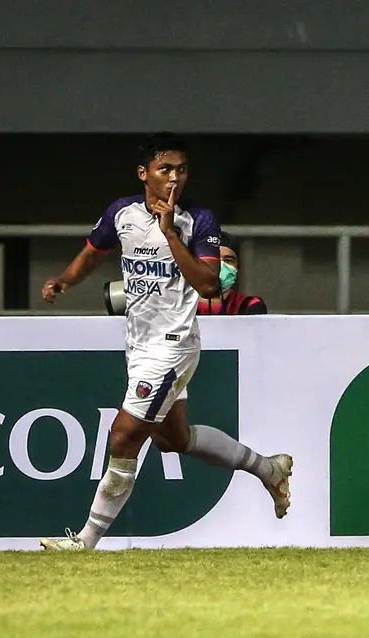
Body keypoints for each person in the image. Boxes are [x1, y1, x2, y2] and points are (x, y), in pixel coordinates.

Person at [37, 132, 293, 551]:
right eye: (165, 169)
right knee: (173, 439)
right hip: (139, 345)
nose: (175, 177)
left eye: (182, 169)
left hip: (173, 346)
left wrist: (170, 234)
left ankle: (84, 542)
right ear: (144, 174)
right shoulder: (121, 213)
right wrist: (64, 280)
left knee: (123, 436)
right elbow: (92, 251)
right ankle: (269, 469)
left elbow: (210, 284)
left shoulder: (200, 221)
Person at [197, 231, 269, 315]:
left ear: (237, 267)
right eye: (214, 259)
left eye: (228, 260)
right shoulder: (180, 305)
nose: (220, 266)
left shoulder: (249, 306)